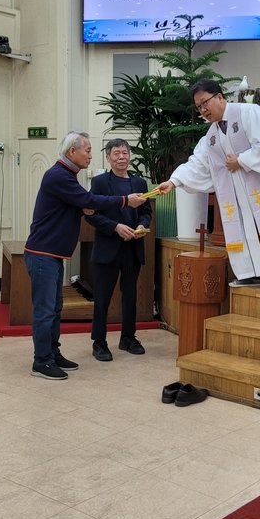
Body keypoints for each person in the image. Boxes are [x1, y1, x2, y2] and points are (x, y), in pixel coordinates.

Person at [157, 78, 260, 292]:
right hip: (253, 183)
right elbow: (199, 163)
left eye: (205, 102)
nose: (203, 110)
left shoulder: (249, 113)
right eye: (198, 107)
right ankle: (254, 273)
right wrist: (174, 181)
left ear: (219, 97)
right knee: (248, 223)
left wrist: (241, 161)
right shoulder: (212, 136)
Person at [24, 131, 147, 380]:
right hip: (42, 253)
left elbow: (81, 203)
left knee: (55, 308)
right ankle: (42, 361)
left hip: (51, 254)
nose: (90, 155)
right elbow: (87, 199)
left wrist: (84, 207)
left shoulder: (67, 175)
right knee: (45, 310)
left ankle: (53, 353)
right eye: (87, 150)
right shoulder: (59, 175)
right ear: (73, 152)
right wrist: (124, 201)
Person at [85, 138, 153, 362]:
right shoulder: (100, 182)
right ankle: (99, 342)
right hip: (108, 247)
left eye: (125, 152)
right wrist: (115, 227)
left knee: (130, 296)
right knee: (102, 298)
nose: (121, 157)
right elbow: (91, 215)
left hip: (133, 247)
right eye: (116, 153)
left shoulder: (139, 183)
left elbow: (146, 211)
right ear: (108, 157)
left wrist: (142, 225)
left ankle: (128, 338)